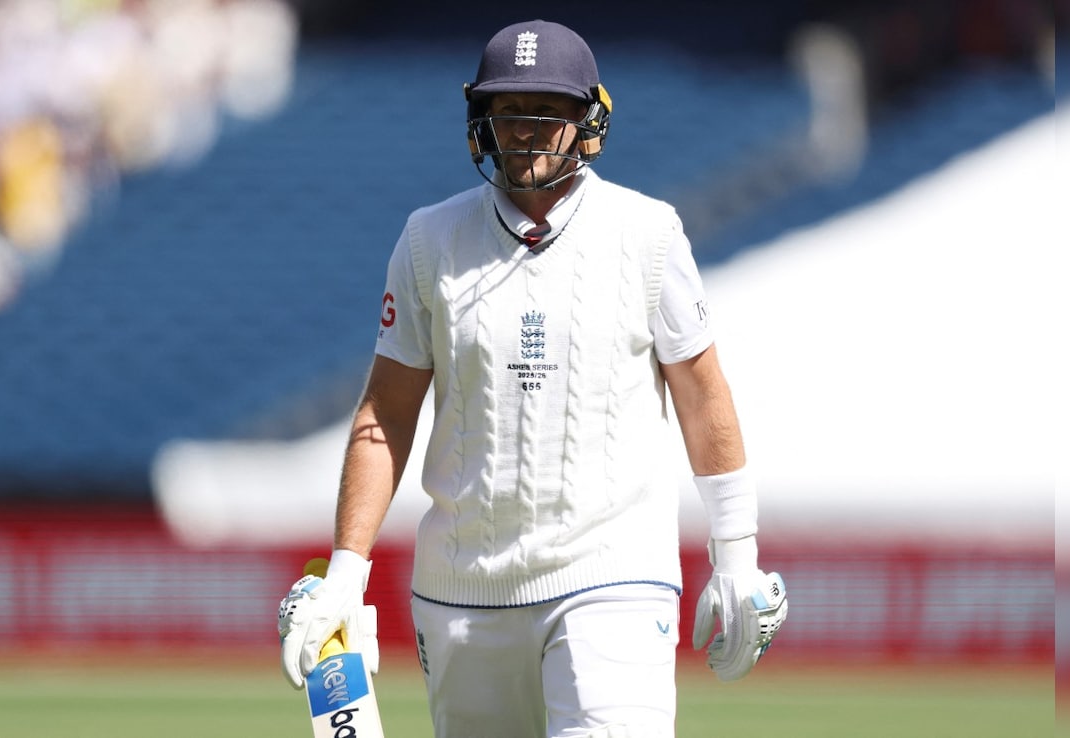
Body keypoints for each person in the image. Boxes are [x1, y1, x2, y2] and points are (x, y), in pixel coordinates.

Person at [279, 19, 788, 737]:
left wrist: (736, 555)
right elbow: (385, 412)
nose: (525, 132)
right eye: (508, 112)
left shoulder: (649, 233)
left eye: (547, 113)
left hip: (614, 573)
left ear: (588, 121)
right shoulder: (430, 240)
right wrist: (345, 571)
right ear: (481, 121)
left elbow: (702, 391)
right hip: (463, 594)